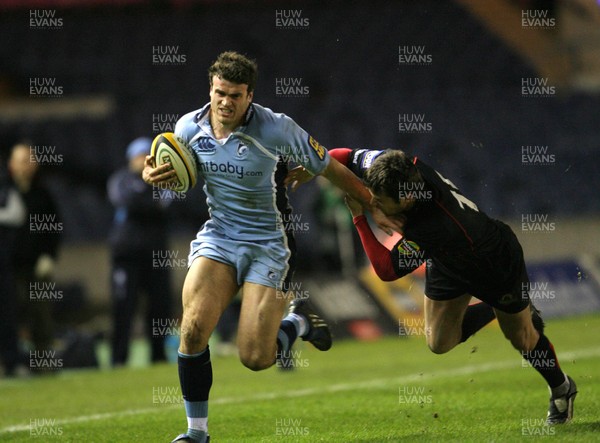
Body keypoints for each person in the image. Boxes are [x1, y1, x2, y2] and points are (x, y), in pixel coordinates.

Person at [142, 51, 397, 443]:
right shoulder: (187, 128)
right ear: (211, 89)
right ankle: (196, 433)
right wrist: (150, 172)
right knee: (192, 329)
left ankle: (299, 322)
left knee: (256, 358)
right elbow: (171, 169)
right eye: (219, 92)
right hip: (219, 237)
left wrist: (370, 203)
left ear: (250, 96)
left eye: (236, 95)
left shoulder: (276, 128)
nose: (226, 102)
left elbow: (326, 164)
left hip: (268, 244)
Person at [290, 147, 576, 425]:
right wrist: (316, 166)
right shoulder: (395, 167)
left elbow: (386, 270)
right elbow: (341, 155)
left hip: (493, 263)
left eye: (380, 201)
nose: (373, 201)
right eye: (372, 197)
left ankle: (562, 388)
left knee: (523, 338)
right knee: (439, 343)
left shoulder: (434, 227)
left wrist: (359, 217)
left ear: (406, 201)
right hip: (449, 260)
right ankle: (496, 308)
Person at [107, 137, 173, 366]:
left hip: (156, 254)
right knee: (123, 306)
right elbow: (128, 202)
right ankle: (118, 359)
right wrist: (149, 202)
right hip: (126, 255)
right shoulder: (119, 180)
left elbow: (166, 205)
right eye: (139, 156)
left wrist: (147, 200)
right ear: (130, 159)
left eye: (148, 155)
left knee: (159, 307)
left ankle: (158, 355)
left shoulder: (164, 182)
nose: (143, 160)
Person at [9, 142, 61, 354]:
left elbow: (55, 227)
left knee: (41, 315)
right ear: (11, 164)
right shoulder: (4, 192)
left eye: (30, 160)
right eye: (21, 160)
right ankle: (9, 363)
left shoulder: (43, 194)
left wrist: (49, 256)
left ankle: (43, 362)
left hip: (36, 266)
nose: (26, 165)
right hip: (8, 266)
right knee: (8, 313)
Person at [0, 158, 26, 377]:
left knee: (8, 314)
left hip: (3, 264)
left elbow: (17, 214)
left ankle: (12, 362)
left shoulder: (6, 190)